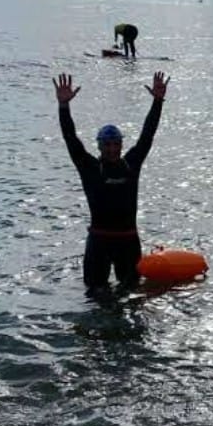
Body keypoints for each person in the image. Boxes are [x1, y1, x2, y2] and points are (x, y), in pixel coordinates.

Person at [53, 70, 169, 290]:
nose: (112, 149)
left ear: (121, 145)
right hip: (99, 241)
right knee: (94, 295)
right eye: (107, 145)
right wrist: (63, 106)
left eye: (116, 144)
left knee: (131, 295)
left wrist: (157, 102)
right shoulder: (90, 167)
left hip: (128, 240)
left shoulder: (131, 164)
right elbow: (70, 138)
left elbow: (147, 135)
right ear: (99, 146)